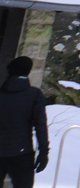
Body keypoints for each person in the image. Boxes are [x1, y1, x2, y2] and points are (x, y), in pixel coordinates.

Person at [0, 57, 48, 188]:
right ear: (28, 73)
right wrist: (43, 152)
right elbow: (40, 126)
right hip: (22, 153)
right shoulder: (34, 95)